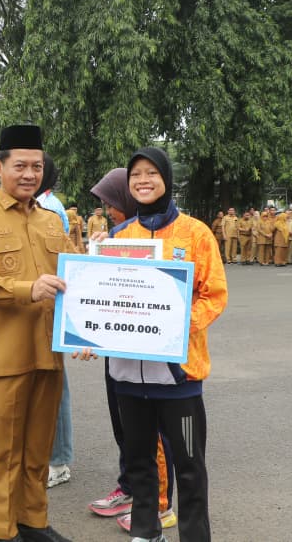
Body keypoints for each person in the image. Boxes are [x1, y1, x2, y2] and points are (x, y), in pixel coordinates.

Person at [100, 147, 227, 542]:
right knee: (139, 461)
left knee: (190, 466)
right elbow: (102, 296)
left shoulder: (195, 233)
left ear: (166, 179)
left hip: (178, 379)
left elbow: (214, 295)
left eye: (151, 173)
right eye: (136, 174)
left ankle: (194, 536)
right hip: (128, 378)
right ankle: (146, 531)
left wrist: (176, 325)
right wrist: (89, 332)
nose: (143, 180)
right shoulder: (119, 237)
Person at [0, 124, 73, 542]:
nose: (29, 174)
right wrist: (27, 289)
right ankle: (3, 531)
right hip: (3, 356)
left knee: (38, 447)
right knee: (3, 451)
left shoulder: (51, 222)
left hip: (47, 354)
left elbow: (76, 277)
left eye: (36, 167)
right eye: (20, 166)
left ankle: (33, 521)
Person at [86, 167, 178, 533]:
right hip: (118, 351)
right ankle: (130, 487)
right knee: (125, 427)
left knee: (152, 434)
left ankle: (159, 505)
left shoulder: (168, 236)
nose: (108, 211)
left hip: (153, 355)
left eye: (111, 204)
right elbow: (97, 292)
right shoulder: (114, 238)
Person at [36, 156, 74, 490]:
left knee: (55, 388)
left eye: (34, 168)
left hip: (50, 308)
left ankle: (58, 461)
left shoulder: (49, 208)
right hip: (28, 308)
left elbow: (68, 261)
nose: (27, 173)